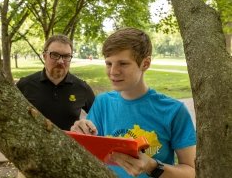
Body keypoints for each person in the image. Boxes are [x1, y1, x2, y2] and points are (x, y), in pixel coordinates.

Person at [70, 28, 196, 178]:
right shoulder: (103, 102)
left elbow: (191, 171)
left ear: (145, 63)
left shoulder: (174, 111)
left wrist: (152, 166)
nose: (113, 72)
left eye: (123, 63)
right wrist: (79, 134)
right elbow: (87, 155)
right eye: (109, 63)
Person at [17, 34, 95, 131]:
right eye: (54, 55)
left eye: (66, 56)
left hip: (69, 145)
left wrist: (86, 126)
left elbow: (101, 120)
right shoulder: (24, 85)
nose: (61, 61)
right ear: (44, 56)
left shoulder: (82, 88)